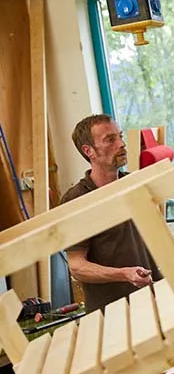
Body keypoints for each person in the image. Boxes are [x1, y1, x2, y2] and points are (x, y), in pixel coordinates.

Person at [61, 114, 161, 313]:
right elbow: (77, 267)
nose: (121, 144)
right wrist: (124, 274)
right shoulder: (77, 200)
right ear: (89, 151)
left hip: (155, 301)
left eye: (120, 136)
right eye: (110, 139)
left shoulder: (135, 186)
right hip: (114, 314)